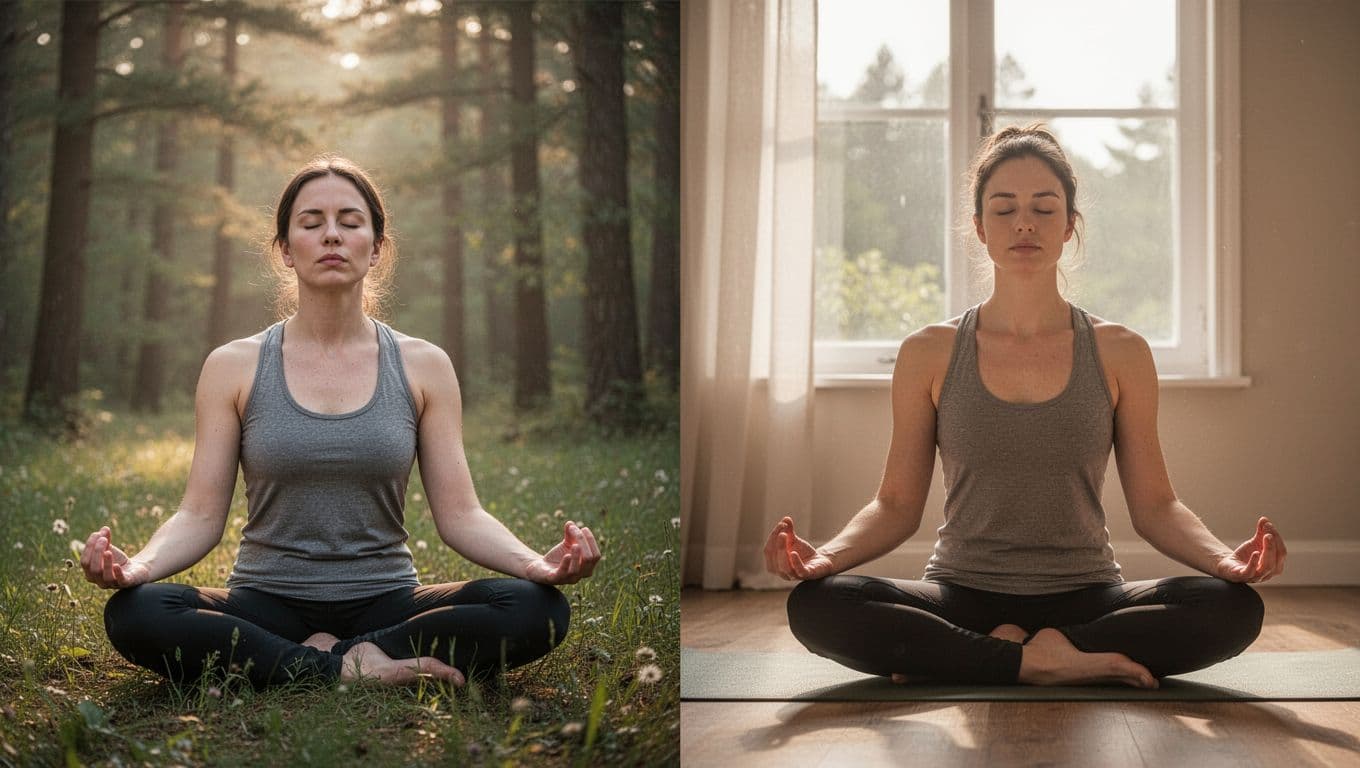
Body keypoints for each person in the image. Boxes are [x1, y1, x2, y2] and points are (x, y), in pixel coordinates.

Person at [765, 125, 1284, 689]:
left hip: (1088, 597)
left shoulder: (1122, 352)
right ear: (980, 229)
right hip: (960, 593)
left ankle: (997, 656)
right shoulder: (928, 352)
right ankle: (1045, 661)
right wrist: (825, 560)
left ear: (1069, 227)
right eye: (1004, 208)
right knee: (817, 605)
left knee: (1232, 608)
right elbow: (894, 505)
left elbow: (1157, 507)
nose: (1024, 223)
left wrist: (1224, 562)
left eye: (1044, 207)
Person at [83, 155, 601, 690]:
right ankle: (355, 668)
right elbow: (199, 515)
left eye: (350, 222)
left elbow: (462, 514)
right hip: (265, 602)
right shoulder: (233, 366)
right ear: (285, 249)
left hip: (387, 602)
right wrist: (140, 567)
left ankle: (309, 662)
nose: (331, 235)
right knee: (136, 611)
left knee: (536, 608)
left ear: (376, 248)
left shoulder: (424, 365)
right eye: (311, 223)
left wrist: (534, 566)